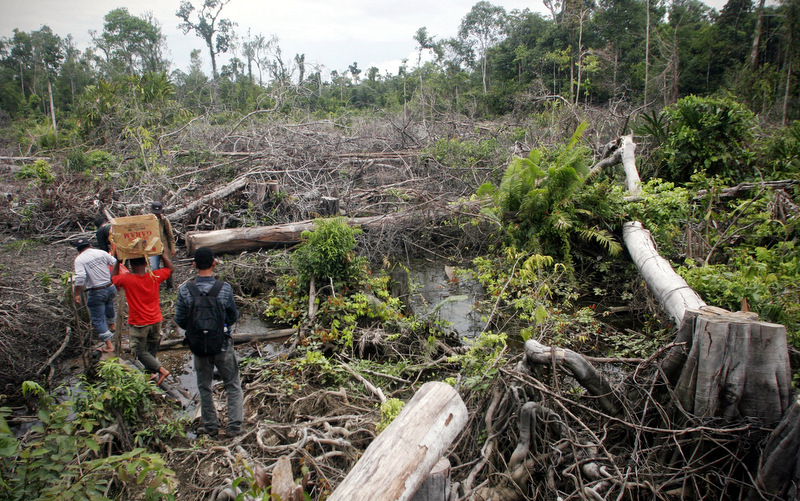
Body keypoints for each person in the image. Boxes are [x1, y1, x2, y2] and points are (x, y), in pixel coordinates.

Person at [174, 247, 243, 437]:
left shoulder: (186, 290)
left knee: (204, 386)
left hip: (199, 347)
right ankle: (234, 427)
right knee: (232, 384)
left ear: (194, 265)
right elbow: (233, 316)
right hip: (221, 344)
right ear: (214, 263)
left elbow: (179, 319)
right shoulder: (224, 288)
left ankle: (211, 426)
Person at [111, 251, 173, 385]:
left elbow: (113, 278)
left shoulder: (127, 279)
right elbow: (169, 269)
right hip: (156, 319)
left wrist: (118, 261)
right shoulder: (154, 276)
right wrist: (161, 254)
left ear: (132, 265)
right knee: (151, 348)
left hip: (139, 322)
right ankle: (150, 373)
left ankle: (160, 370)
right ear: (146, 263)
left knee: (139, 350)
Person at [73, 237, 117, 353]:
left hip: (96, 290)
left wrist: (76, 293)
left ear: (78, 249)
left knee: (98, 318)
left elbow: (81, 277)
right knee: (109, 306)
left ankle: (109, 345)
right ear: (90, 245)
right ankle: (113, 328)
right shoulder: (100, 252)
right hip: (110, 287)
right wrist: (112, 278)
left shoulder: (79, 260)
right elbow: (115, 263)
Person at [149, 202, 176, 290]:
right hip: (153, 248)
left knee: (168, 267)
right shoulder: (147, 221)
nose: (156, 215)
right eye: (155, 213)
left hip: (164, 248)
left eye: (157, 213)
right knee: (154, 268)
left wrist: (172, 248)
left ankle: (170, 286)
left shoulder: (165, 221)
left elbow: (170, 236)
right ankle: (156, 286)